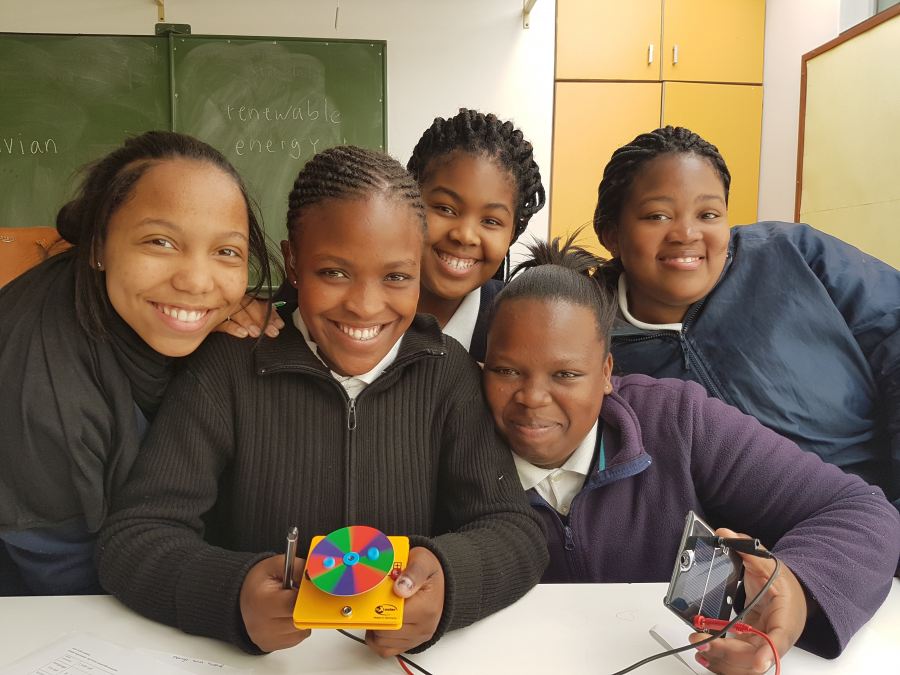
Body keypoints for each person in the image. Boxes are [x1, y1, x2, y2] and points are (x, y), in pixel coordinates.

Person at [96, 146, 547, 657]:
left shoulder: (448, 376)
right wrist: (231, 594)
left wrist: (449, 583)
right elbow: (134, 536)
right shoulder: (227, 370)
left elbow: (516, 532)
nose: (365, 305)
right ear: (292, 262)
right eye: (333, 272)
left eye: (396, 277)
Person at [482, 236, 900, 674]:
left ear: (606, 372)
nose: (532, 398)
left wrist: (798, 591)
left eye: (566, 374)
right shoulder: (446, 436)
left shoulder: (678, 420)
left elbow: (860, 510)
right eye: (506, 371)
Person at [0, 131, 281, 596]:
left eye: (225, 252)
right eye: (160, 242)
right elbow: (67, 583)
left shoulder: (178, 319)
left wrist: (206, 319)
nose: (195, 281)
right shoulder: (38, 382)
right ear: (97, 246)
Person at [591, 125, 900, 510]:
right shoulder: (590, 342)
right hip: (762, 556)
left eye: (708, 213)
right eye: (657, 216)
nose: (687, 233)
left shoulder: (791, 254)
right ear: (611, 234)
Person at [405, 108, 546, 360]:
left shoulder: (522, 325)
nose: (465, 235)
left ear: (513, 232)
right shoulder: (366, 310)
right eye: (445, 208)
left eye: (491, 221)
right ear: (410, 200)